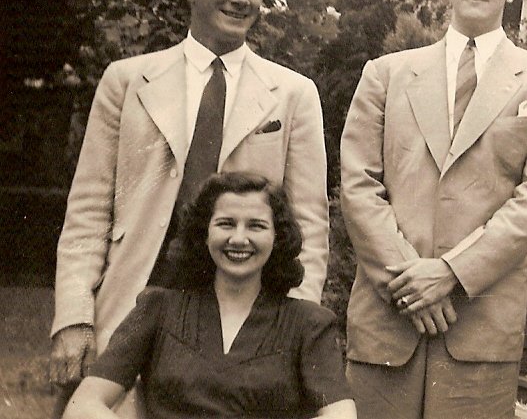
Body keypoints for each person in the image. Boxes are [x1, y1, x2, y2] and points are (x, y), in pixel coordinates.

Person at [49, 0, 330, 415]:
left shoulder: (292, 93)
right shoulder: (127, 81)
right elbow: (89, 210)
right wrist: (74, 316)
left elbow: (307, 223)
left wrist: (292, 328)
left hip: (240, 309)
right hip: (134, 296)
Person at [339, 0, 527, 419]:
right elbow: (358, 184)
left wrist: (450, 273)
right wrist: (410, 283)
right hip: (388, 320)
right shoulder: (386, 75)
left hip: (479, 325)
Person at [61, 171, 355, 419]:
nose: (239, 238)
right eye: (226, 223)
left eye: (256, 226)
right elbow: (81, 406)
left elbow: (341, 415)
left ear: (277, 237)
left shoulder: (308, 324)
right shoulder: (157, 309)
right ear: (205, 232)